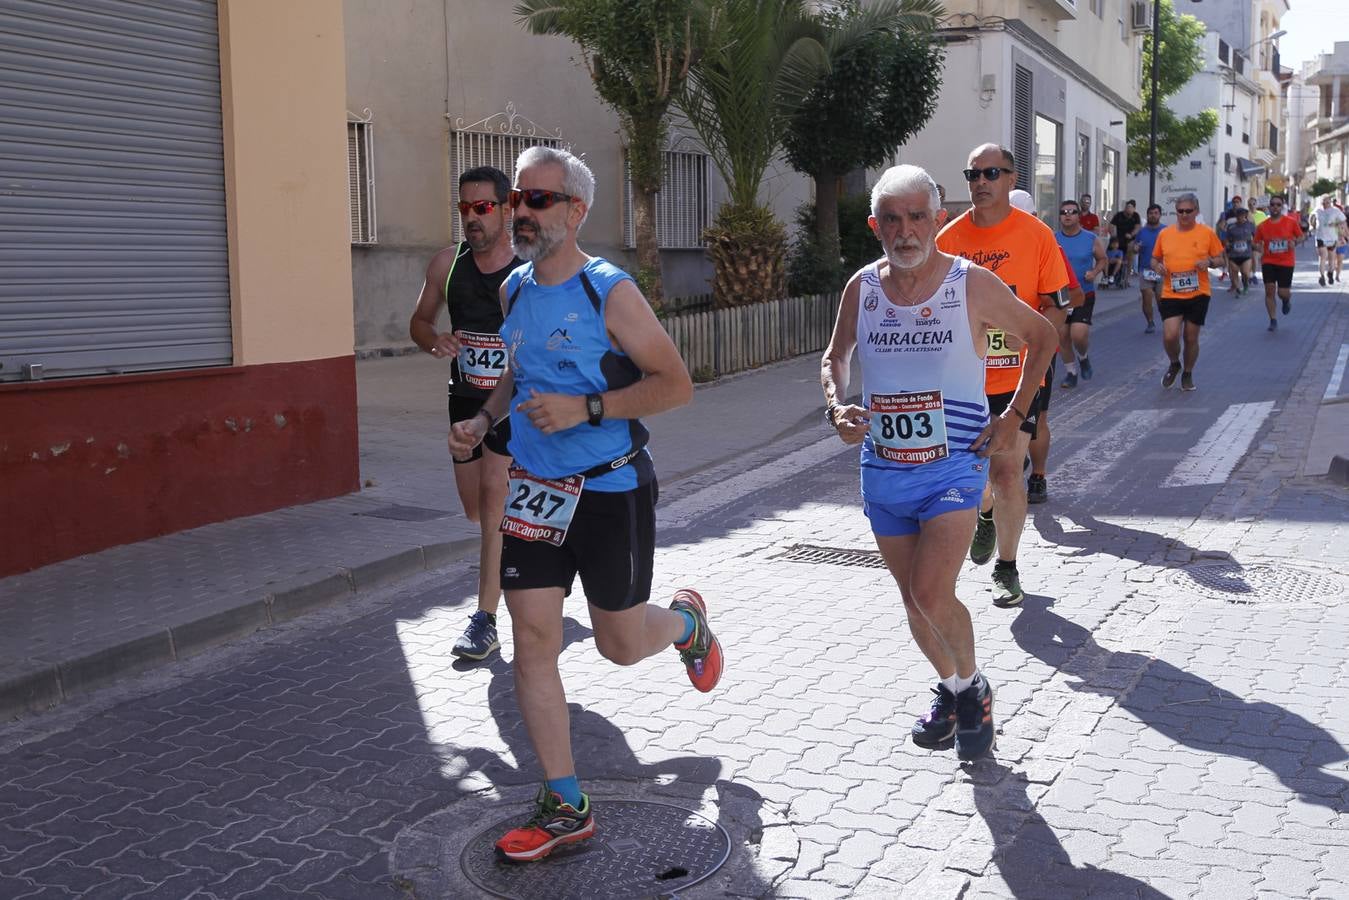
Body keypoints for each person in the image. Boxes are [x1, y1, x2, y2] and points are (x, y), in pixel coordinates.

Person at [448, 146, 721, 862]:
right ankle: (564, 803)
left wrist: (588, 407)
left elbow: (675, 385)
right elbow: (517, 369)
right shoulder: (513, 291)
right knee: (532, 641)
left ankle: (686, 624)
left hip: (611, 489)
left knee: (619, 646)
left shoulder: (610, 293)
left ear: (576, 211)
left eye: (539, 201)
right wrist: (483, 421)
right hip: (535, 492)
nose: (522, 213)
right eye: (517, 200)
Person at [822, 164, 1057, 761]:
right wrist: (837, 406)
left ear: (937, 217)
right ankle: (955, 690)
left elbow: (1042, 336)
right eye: (893, 220)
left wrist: (1015, 418)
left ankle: (973, 685)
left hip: (953, 465)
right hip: (884, 469)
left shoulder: (968, 283)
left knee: (931, 590)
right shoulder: (863, 288)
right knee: (912, 599)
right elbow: (835, 357)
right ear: (876, 225)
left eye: (918, 217)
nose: (906, 232)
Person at [937, 144, 1069, 607]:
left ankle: (1007, 567)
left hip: (1017, 379)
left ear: (1012, 180)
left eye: (991, 172)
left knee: (1009, 469)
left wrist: (1028, 332)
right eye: (972, 173)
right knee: (978, 479)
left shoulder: (1036, 236)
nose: (980, 181)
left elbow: (1056, 304)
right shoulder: (948, 241)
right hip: (964, 382)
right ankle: (985, 515)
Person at [410, 166, 522, 661]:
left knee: (494, 502)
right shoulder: (446, 265)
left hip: (511, 404)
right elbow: (418, 321)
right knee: (476, 510)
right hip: (463, 400)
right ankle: (528, 548)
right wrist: (434, 339)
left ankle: (485, 619)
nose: (472, 218)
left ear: (507, 208)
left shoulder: (527, 270)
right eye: (465, 209)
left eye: (483, 208)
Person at [1008, 190, 1081, 507]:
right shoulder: (978, 247)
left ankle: (1037, 476)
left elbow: (1073, 297)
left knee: (1036, 418)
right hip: (989, 354)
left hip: (1034, 351)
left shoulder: (1048, 247)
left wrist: (1038, 322)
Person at [1151, 193, 1225, 392]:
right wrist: (1158, 267)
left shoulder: (1206, 233)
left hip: (1198, 293)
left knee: (1191, 337)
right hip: (1171, 292)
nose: (1183, 215)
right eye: (1180, 211)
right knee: (1170, 335)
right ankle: (1175, 363)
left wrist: (1209, 262)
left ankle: (1188, 372)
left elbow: (1220, 260)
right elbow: (1154, 259)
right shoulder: (1165, 234)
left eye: (1188, 211)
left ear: (1196, 211)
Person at [1054, 198, 1106, 390]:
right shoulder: (1053, 239)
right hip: (1060, 295)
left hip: (1084, 293)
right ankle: (1071, 372)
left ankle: (1083, 358)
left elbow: (1102, 259)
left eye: (1072, 212)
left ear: (1079, 216)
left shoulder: (1090, 239)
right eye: (1064, 212)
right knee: (1062, 335)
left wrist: (1094, 272)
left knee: (1078, 334)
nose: (1067, 216)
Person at [1254, 194, 1303, 331]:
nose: (1275, 207)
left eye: (1278, 204)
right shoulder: (1262, 226)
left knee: (1282, 292)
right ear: (1269, 207)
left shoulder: (1290, 222)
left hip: (1286, 262)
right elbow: (1256, 243)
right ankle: (1273, 319)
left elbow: (1301, 236)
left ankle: (1286, 300)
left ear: (1282, 207)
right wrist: (1258, 247)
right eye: (1273, 204)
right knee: (1269, 291)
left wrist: (1295, 242)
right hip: (1268, 261)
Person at [1134, 203, 1165, 334]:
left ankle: (1167, 321)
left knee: (1160, 299)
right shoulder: (1141, 231)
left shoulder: (1166, 231)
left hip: (1161, 269)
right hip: (1145, 269)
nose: (1153, 215)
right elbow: (1135, 247)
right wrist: (1135, 248)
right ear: (1147, 215)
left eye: (1155, 213)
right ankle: (1150, 322)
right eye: (1150, 213)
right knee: (1147, 296)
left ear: (1160, 215)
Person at [1311, 196, 1347, 285]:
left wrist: (1343, 234)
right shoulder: (1317, 210)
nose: (1325, 204)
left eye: (1327, 202)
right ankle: (1321, 276)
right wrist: (1312, 226)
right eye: (1323, 202)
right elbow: (1311, 218)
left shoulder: (1335, 211)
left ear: (1330, 202)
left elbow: (1343, 221)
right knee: (1323, 256)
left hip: (1332, 238)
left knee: (1331, 258)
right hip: (1320, 237)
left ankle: (1330, 272)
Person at [1223, 207, 1256, 296]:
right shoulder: (1231, 227)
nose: (1240, 217)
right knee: (1234, 271)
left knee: (1245, 273)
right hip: (1234, 254)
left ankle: (1245, 285)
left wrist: (1254, 243)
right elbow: (1226, 239)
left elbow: (1256, 237)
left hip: (1246, 254)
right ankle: (1237, 288)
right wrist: (1227, 244)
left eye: (1242, 215)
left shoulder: (1250, 225)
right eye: (1238, 215)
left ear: (1245, 215)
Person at [1109, 200, 1141, 287]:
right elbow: (1111, 225)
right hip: (1119, 239)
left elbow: (1137, 228)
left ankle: (1126, 278)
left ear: (1134, 209)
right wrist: (1113, 234)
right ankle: (1110, 275)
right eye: (1127, 207)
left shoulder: (1136, 216)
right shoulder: (1119, 215)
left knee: (1130, 254)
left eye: (1130, 207)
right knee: (1112, 252)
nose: (1128, 209)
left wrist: (1131, 234)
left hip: (1130, 240)